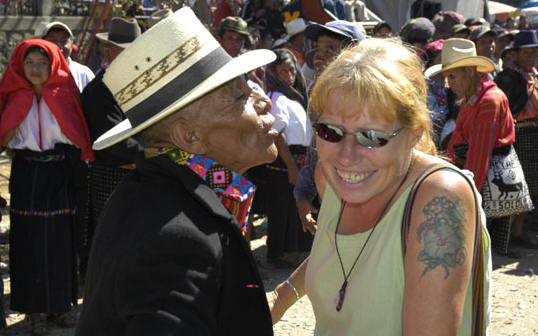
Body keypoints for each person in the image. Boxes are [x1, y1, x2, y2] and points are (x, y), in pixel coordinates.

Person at [269, 38, 491, 335]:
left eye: (372, 136)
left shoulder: (439, 198)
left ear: (414, 134)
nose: (347, 156)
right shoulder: (330, 176)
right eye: (330, 131)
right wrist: (281, 297)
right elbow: (340, 252)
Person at [76, 8, 277, 335]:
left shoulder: (162, 196)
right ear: (189, 136)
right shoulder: (176, 237)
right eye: (240, 95)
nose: (263, 101)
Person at [0, 39, 93, 335]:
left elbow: (77, 133)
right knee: (27, 241)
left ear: (53, 64)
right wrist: (16, 111)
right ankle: (34, 311)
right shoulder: (12, 95)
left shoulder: (65, 95)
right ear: (20, 65)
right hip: (27, 173)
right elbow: (4, 137)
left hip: (58, 172)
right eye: (29, 63)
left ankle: (61, 307)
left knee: (60, 241)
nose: (36, 69)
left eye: (42, 63)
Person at [431, 38, 516, 256]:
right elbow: (457, 143)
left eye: (453, 76)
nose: (449, 84)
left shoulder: (489, 101)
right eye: (447, 77)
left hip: (483, 185)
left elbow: (480, 157)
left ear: (470, 71)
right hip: (471, 178)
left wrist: (465, 199)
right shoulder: (470, 99)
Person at [79, 16, 142, 282]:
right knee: (112, 236)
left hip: (141, 171)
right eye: (122, 51)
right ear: (109, 50)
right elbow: (113, 140)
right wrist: (154, 152)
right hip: (112, 173)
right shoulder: (98, 91)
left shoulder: (142, 84)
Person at [263, 48, 313, 266]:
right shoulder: (275, 97)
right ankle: (279, 253)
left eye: (292, 70)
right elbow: (277, 134)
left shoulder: (293, 96)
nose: (289, 75)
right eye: (283, 71)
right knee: (282, 207)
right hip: (285, 160)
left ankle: (294, 250)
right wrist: (291, 166)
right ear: (274, 73)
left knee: (293, 206)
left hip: (299, 157)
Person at [495, 30, 538, 249]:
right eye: (527, 52)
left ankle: (519, 232)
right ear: (516, 54)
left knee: (531, 187)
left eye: (534, 52)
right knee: (515, 187)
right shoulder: (508, 77)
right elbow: (504, 110)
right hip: (518, 136)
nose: (532, 56)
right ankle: (507, 237)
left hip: (535, 135)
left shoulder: (534, 75)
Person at [36, 21, 95, 92]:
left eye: (64, 41)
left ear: (71, 44)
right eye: (52, 41)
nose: (58, 46)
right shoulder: (34, 73)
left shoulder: (84, 73)